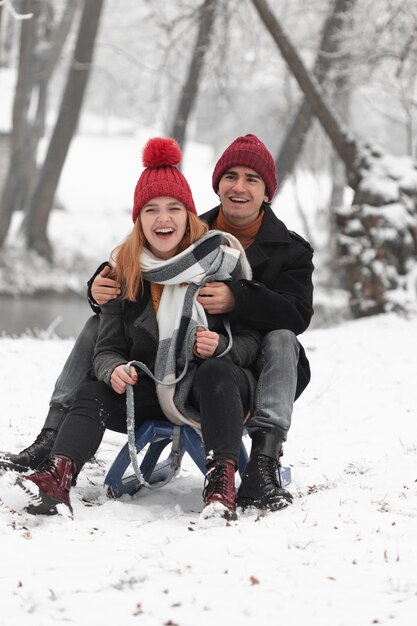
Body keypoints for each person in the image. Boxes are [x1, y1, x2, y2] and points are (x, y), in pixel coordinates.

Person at [1, 133, 314, 512]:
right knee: (95, 328)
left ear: (268, 192)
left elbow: (295, 315)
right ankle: (54, 449)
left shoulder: (252, 252)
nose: (239, 187)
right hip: (158, 374)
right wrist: (102, 290)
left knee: (269, 342)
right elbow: (140, 270)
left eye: (252, 179)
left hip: (242, 370)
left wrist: (238, 298)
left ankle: (262, 461)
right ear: (216, 186)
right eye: (231, 176)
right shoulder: (183, 233)